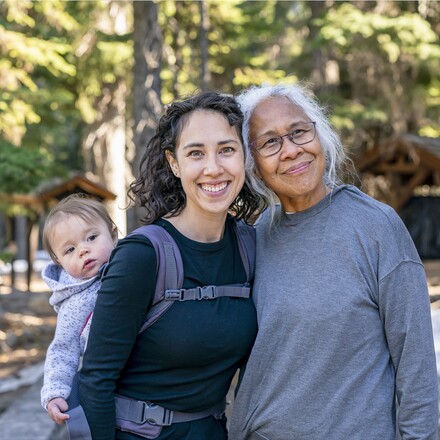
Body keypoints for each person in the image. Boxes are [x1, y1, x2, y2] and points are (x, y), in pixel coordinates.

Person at [229, 83, 439, 440]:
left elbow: (416, 366)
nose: (292, 151)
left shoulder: (376, 227)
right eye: (270, 142)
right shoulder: (255, 235)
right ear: (253, 165)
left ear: (319, 134)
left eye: (298, 132)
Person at [79, 91, 267, 440]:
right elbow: (95, 379)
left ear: (245, 158)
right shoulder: (142, 255)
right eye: (196, 153)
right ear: (174, 163)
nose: (213, 168)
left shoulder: (251, 247)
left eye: (226, 149)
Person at [40, 194, 118, 425]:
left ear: (113, 235)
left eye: (92, 237)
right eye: (70, 250)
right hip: (111, 385)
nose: (83, 250)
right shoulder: (75, 303)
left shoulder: (133, 269)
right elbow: (63, 350)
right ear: (58, 261)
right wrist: (54, 393)